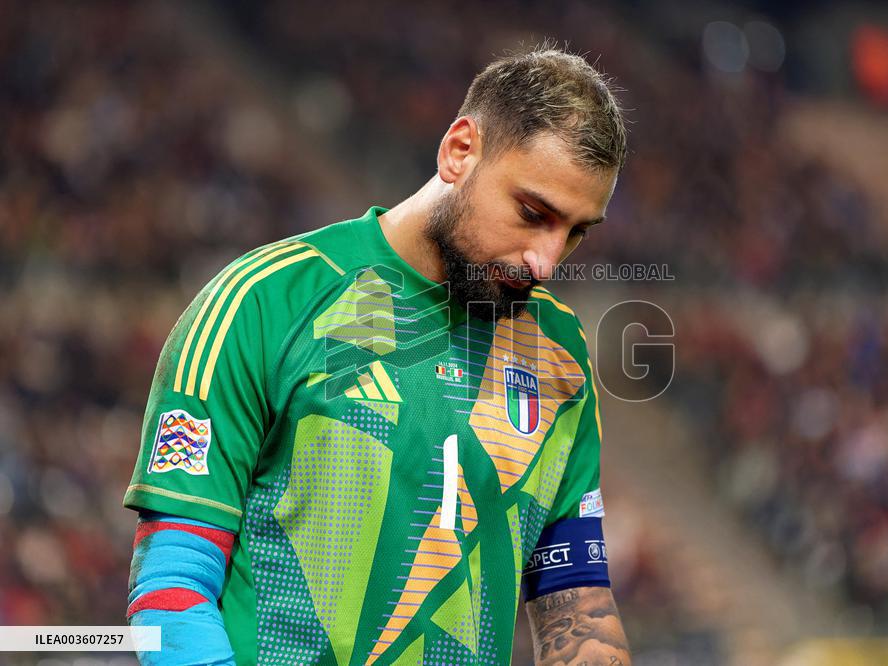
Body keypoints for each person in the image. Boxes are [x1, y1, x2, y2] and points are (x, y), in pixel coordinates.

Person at [123, 46, 632, 666]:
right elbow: (173, 589)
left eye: (576, 231)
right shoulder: (267, 303)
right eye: (532, 213)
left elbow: (577, 606)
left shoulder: (559, 353)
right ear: (460, 151)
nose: (546, 261)